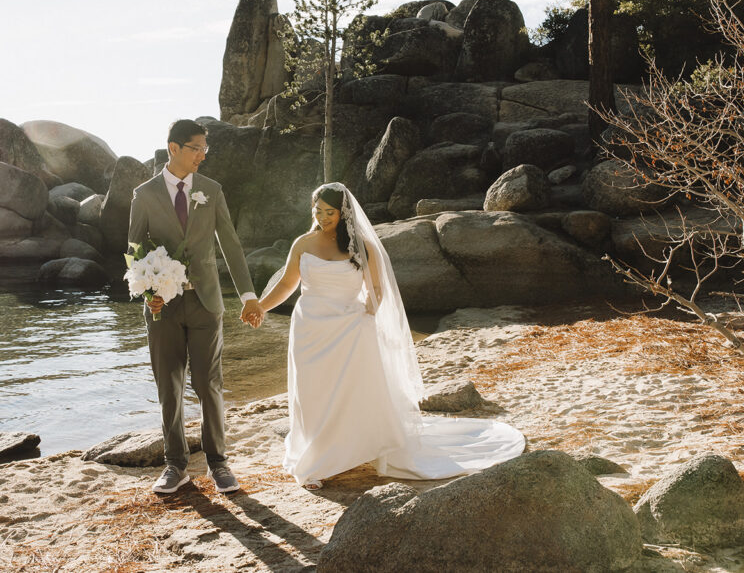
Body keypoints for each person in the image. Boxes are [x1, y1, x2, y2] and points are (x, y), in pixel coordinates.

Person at [258, 183, 525, 489]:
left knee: (350, 392)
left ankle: (345, 453)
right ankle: (316, 455)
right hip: (310, 330)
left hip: (350, 330)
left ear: (343, 213)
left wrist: (366, 314)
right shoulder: (302, 244)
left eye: (329, 212)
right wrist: (261, 307)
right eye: (317, 210)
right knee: (312, 392)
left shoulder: (362, 246)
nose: (322, 217)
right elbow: (286, 285)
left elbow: (377, 289)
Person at [127, 119, 265, 494]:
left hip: (206, 303)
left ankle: (218, 463)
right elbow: (133, 251)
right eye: (196, 148)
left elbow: (231, 245)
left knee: (209, 385)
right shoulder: (144, 194)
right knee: (169, 387)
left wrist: (249, 296)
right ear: (175, 148)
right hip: (162, 307)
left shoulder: (211, 190)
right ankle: (176, 465)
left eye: (206, 148)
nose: (203, 155)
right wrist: (146, 293)